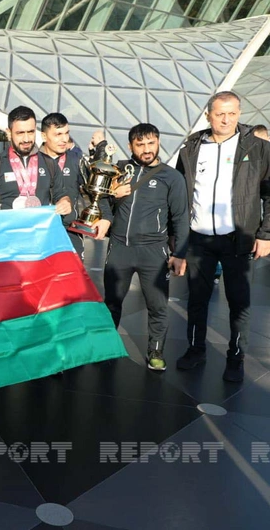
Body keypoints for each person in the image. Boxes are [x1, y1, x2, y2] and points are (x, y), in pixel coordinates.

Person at [174, 91, 270, 382]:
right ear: (208, 115)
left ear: (239, 113)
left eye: (232, 113)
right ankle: (196, 349)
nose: (226, 119)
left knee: (239, 302)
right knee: (197, 300)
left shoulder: (258, 148)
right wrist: (178, 243)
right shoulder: (191, 147)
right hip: (200, 238)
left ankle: (236, 357)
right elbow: (180, 193)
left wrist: (265, 234)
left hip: (238, 238)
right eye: (220, 114)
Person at [95, 124, 189, 371]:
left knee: (157, 305)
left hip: (153, 252)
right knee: (112, 302)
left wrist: (179, 253)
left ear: (158, 142)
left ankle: (156, 351)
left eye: (151, 143)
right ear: (130, 146)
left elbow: (180, 217)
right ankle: (107, 345)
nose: (147, 149)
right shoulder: (120, 170)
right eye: (140, 145)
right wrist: (113, 196)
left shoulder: (172, 177)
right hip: (120, 248)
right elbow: (101, 199)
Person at [0, 106, 72, 218]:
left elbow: (62, 195)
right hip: (8, 234)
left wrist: (65, 202)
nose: (26, 139)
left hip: (39, 233)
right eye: (20, 133)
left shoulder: (49, 163)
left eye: (30, 132)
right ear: (9, 133)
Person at [38, 113, 86, 257]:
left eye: (66, 133)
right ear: (44, 136)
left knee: (73, 278)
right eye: (58, 134)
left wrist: (105, 217)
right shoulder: (32, 161)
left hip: (69, 232)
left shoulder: (77, 161)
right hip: (40, 233)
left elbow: (96, 192)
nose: (64, 139)